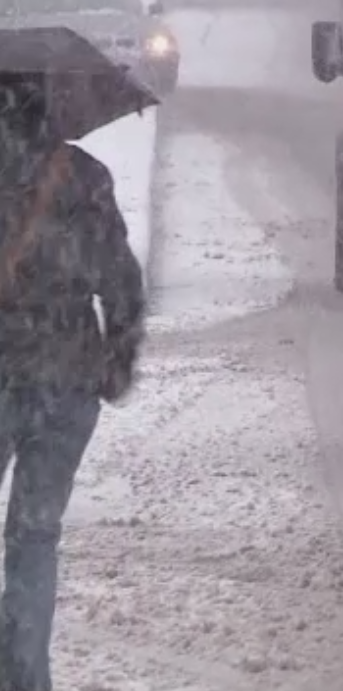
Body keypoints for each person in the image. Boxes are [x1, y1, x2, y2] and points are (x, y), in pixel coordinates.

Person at [0, 76, 145, 690]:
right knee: (35, 536)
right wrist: (114, 362)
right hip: (67, 381)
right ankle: (24, 677)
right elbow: (122, 284)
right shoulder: (84, 177)